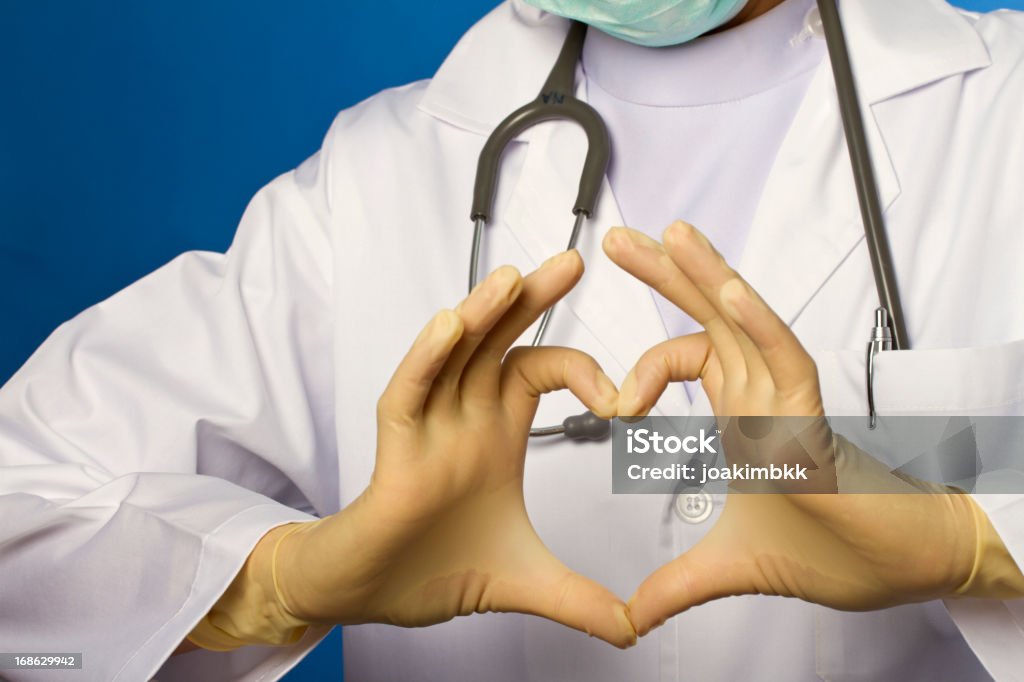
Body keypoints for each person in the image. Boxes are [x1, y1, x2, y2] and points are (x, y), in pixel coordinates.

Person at [2, 0, 1024, 679]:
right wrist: (277, 579)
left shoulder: (1000, 114)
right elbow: (22, 502)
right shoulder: (378, 181)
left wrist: (978, 544)